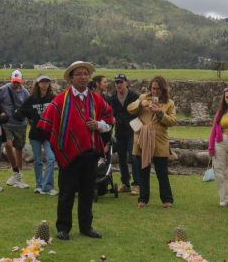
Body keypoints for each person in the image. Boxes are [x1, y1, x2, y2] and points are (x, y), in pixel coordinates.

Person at [36, 61, 114, 240]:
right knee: (67, 192)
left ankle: (86, 227)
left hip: (90, 153)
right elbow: (46, 125)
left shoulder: (96, 99)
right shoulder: (60, 100)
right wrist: (57, 146)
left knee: (87, 192)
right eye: (79, 74)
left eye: (86, 74)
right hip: (68, 154)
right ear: (71, 78)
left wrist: (98, 125)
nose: (83, 77)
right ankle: (63, 227)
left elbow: (109, 120)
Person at [130, 75, 177, 208]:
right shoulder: (143, 98)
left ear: (163, 89)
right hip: (142, 141)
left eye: (158, 89)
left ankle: (167, 200)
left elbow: (173, 121)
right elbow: (130, 108)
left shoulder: (169, 103)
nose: (155, 91)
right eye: (153, 88)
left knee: (162, 173)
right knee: (143, 172)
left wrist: (160, 113)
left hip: (159, 141)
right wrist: (141, 104)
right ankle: (143, 199)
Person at [20, 75, 58, 196]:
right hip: (35, 134)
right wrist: (31, 119)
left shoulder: (53, 98)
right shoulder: (31, 99)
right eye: (42, 82)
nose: (45, 84)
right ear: (38, 84)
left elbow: (59, 112)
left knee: (51, 159)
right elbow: (22, 111)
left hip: (49, 134)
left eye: (47, 82)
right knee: (38, 161)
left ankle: (47, 187)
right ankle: (39, 185)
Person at [105, 74, 141, 194]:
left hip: (133, 131)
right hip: (120, 132)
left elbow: (139, 112)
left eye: (121, 82)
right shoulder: (112, 98)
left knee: (134, 156)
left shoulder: (134, 96)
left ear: (126, 83)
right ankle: (125, 183)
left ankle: (137, 184)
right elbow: (111, 114)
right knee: (121, 158)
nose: (118, 85)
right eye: (117, 82)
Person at [0, 70, 30, 189]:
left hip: (21, 124)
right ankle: (15, 170)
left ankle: (18, 175)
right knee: (8, 144)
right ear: (10, 79)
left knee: (19, 149)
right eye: (14, 82)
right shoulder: (3, 90)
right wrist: (1, 113)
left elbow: (28, 107)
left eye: (18, 82)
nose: (16, 84)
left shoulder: (25, 92)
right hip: (7, 122)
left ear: (21, 81)